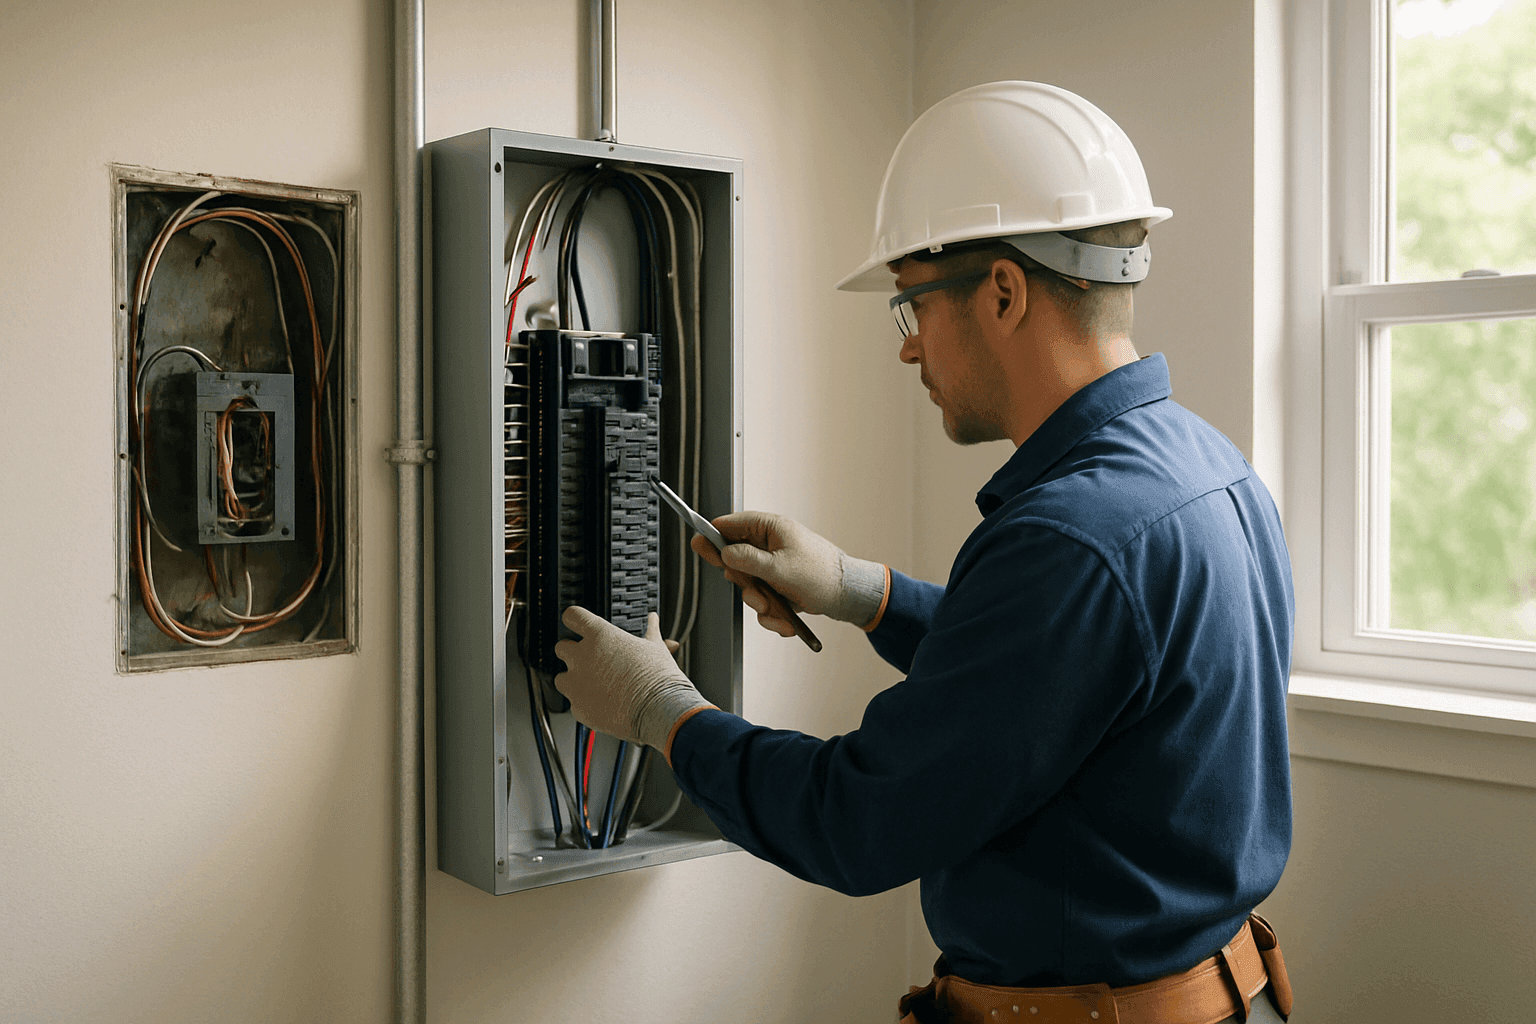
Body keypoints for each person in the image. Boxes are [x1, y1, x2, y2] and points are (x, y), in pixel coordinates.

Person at [554, 81, 1296, 1024]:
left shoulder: (1068, 539)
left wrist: (664, 712)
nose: (907, 351)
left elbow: (858, 823)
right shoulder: (1207, 467)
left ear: (1002, 292)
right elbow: (1061, 681)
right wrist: (864, 593)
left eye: (911, 306)